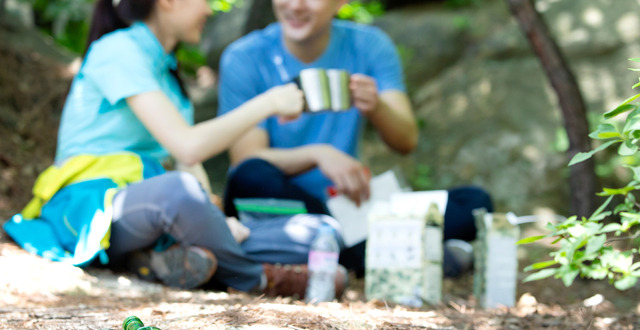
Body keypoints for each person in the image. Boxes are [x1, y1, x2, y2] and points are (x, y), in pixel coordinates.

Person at [3, 0, 346, 298]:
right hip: (93, 205)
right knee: (177, 193)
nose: (209, 10)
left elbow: (185, 161)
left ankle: (161, 260)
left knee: (320, 231)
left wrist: (216, 217)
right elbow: (188, 146)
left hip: (156, 209)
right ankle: (257, 278)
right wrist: (269, 102)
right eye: (203, 0)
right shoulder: (118, 50)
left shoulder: (167, 75)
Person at [217, 0, 493, 277]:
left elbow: (406, 141)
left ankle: (360, 253)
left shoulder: (369, 45)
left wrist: (377, 107)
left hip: (352, 208)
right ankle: (393, 254)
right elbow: (247, 159)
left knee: (474, 202)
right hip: (286, 210)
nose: (295, 5)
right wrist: (318, 154)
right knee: (249, 177)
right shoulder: (245, 57)